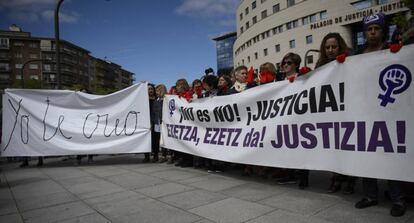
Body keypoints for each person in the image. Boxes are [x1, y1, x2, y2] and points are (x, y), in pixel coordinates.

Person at [354, 13, 406, 217]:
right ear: (365, 33)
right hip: (364, 111)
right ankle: (370, 195)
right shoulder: (357, 56)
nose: (373, 32)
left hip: (390, 113)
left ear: (383, 31)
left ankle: (398, 199)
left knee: (392, 157)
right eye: (369, 29)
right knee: (368, 155)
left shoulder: (393, 51)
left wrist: (399, 55)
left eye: (376, 28)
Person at [275, 53, 309, 189]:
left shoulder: (304, 78)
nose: (285, 65)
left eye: (288, 63)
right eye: (283, 63)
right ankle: (290, 174)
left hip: (300, 118)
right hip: (284, 119)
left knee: (302, 149)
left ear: (296, 64)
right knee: (287, 148)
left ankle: (304, 177)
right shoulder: (278, 81)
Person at [152, 84, 167, 163]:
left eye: (158, 91)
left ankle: (164, 155)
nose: (156, 92)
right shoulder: (156, 101)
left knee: (164, 139)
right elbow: (153, 112)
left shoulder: (166, 100)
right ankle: (156, 155)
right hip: (156, 123)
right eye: (156, 91)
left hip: (164, 123)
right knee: (157, 139)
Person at [143, 83, 156, 163]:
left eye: (151, 89)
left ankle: (155, 156)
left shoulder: (157, 98)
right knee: (145, 140)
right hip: (145, 121)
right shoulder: (143, 99)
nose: (150, 90)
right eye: (148, 89)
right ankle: (146, 156)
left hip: (155, 121)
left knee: (155, 139)